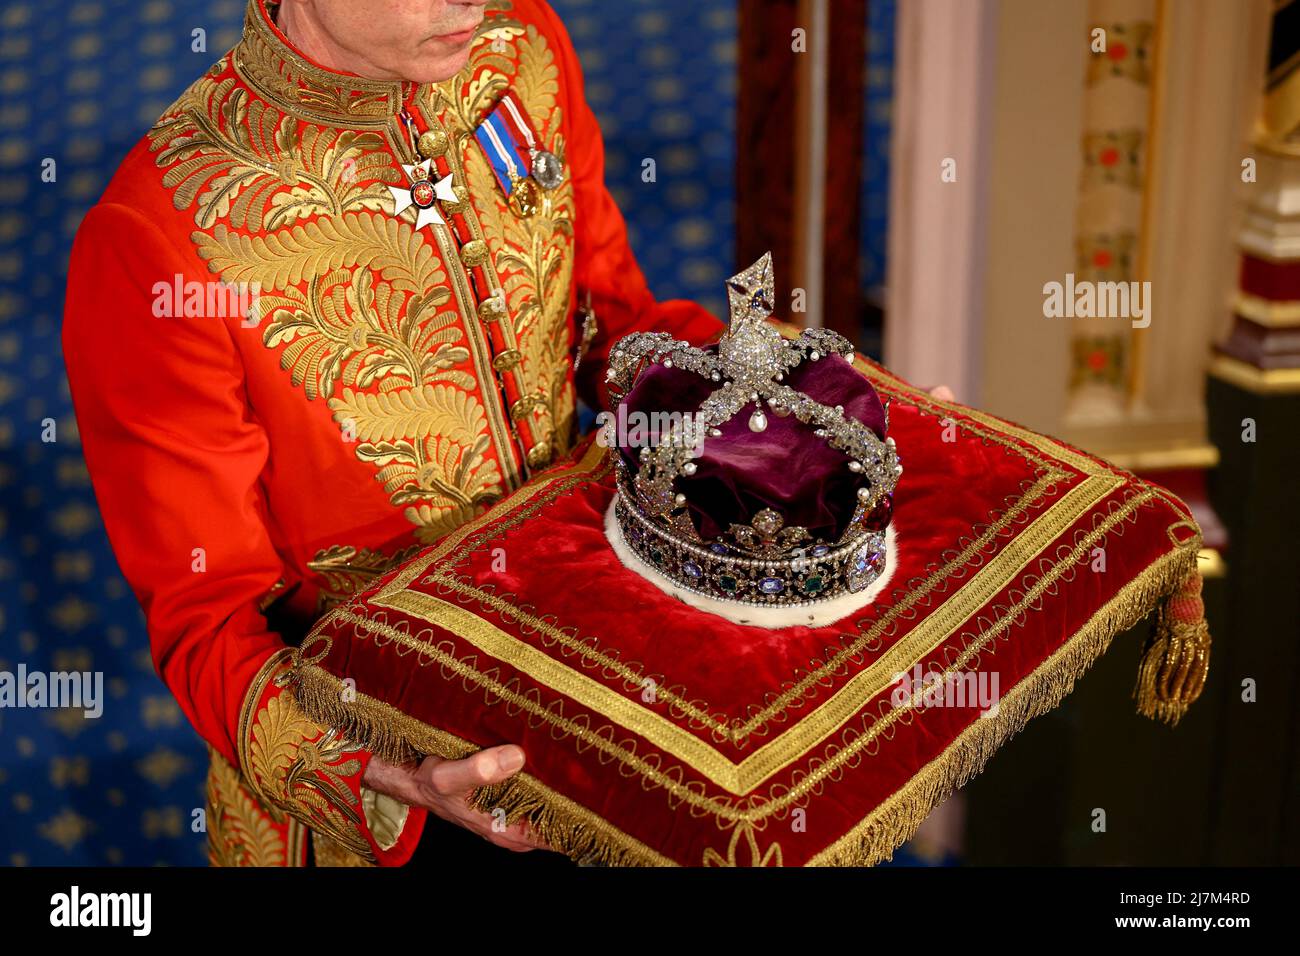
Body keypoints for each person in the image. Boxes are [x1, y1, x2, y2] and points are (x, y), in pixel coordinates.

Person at [64, 0, 949, 867]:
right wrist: (390, 775)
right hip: (390, 782)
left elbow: (616, 329)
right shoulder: (158, 236)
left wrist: (806, 409)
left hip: (595, 682)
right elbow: (210, 618)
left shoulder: (519, 46)